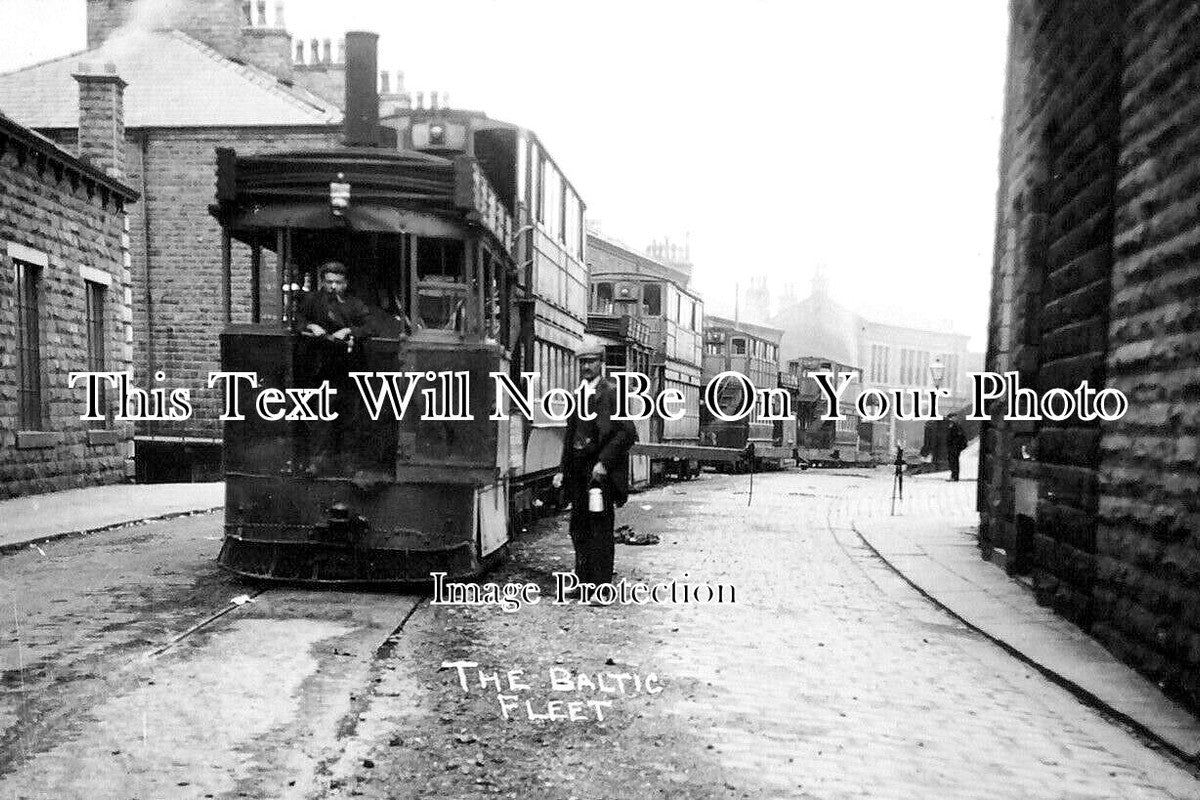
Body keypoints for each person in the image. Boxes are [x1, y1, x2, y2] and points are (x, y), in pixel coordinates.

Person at [552, 337, 638, 598]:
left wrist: (604, 462)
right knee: (578, 528)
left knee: (599, 529)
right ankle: (583, 583)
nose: (586, 367)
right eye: (583, 362)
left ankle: (601, 588)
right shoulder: (579, 393)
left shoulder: (612, 392)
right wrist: (561, 470)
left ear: (601, 363)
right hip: (578, 473)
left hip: (600, 475)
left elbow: (627, 433)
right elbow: (570, 435)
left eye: (591, 361)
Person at [295, 261, 378, 476]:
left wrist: (349, 330)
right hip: (319, 368)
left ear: (345, 283)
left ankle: (348, 465)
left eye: (338, 283)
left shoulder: (355, 305)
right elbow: (298, 321)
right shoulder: (311, 302)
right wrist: (310, 326)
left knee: (350, 419)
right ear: (323, 282)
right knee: (320, 419)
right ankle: (317, 463)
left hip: (349, 370)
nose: (333, 287)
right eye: (329, 282)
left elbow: (371, 327)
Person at [946, 415, 968, 481]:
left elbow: (957, 437)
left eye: (951, 418)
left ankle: (955, 477)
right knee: (953, 461)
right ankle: (954, 476)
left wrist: (954, 445)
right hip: (954, 447)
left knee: (954, 461)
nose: (949, 419)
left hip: (955, 447)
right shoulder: (955, 425)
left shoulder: (955, 426)